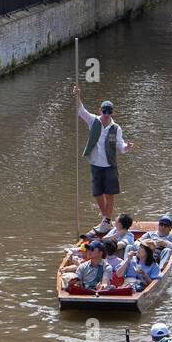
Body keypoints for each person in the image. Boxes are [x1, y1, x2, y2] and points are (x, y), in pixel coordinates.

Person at [74, 87, 132, 233]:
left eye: (109, 112)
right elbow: (81, 110)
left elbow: (121, 147)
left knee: (110, 193)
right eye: (104, 111)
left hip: (110, 165)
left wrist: (127, 147)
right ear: (100, 110)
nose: (106, 114)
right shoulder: (93, 121)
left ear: (112, 112)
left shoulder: (116, 128)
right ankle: (106, 219)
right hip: (95, 164)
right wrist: (78, 95)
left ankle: (106, 221)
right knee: (98, 193)